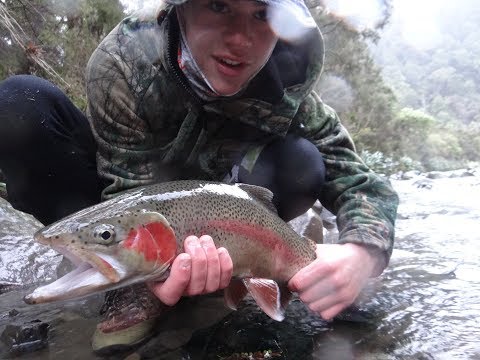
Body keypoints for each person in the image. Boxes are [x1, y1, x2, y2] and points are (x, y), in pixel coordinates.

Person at [0, 0, 399, 354]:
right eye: (219, 7)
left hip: (228, 204)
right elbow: (128, 187)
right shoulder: (123, 63)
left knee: (304, 163)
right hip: (134, 194)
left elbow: (361, 182)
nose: (241, 39)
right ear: (181, 9)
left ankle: (261, 261)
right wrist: (152, 274)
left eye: (262, 14)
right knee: (20, 107)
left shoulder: (290, 90)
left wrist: (362, 254)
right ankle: (131, 279)